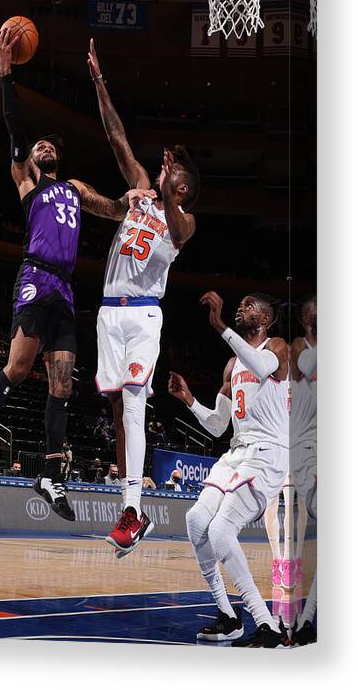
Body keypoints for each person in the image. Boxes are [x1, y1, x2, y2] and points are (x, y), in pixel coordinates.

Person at [0, 27, 153, 523]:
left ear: (57, 155)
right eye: (36, 145)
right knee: (18, 368)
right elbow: (15, 129)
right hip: (36, 276)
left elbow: (110, 208)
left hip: (65, 288)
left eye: (46, 145)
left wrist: (130, 201)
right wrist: (6, 73)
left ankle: (49, 471)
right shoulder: (29, 179)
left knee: (61, 384)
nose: (39, 147)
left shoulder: (73, 187)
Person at [88, 40, 199, 557]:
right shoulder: (140, 189)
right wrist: (99, 81)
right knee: (117, 407)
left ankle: (133, 511)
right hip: (109, 312)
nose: (158, 175)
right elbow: (117, 138)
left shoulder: (184, 220)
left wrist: (171, 193)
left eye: (169, 176)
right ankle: (131, 508)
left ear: (181, 188)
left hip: (143, 316)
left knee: (134, 401)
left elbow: (178, 227)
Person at [169, 291, 290, 648]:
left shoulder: (278, 346)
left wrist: (220, 325)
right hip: (237, 452)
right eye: (240, 305)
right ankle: (229, 615)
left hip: (268, 452)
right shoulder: (231, 365)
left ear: (266, 319)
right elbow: (218, 426)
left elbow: (261, 366)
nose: (241, 308)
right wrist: (189, 400)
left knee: (221, 530)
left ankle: (266, 624)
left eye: (249, 306)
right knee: (195, 521)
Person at [290, 295, 317, 645]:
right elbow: (308, 366)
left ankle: (307, 619)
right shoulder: (299, 346)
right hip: (307, 453)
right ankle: (304, 620)